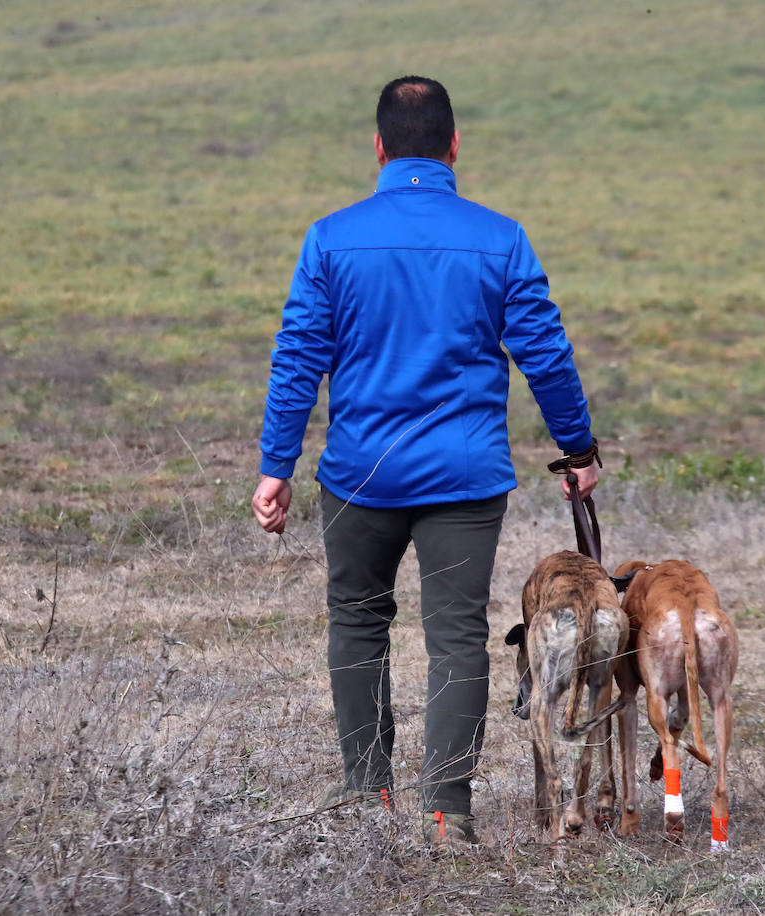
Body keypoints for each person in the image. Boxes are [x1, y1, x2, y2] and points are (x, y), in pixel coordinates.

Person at [251, 75, 599, 847]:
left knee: (357, 622)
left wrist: (276, 464)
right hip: (464, 480)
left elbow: (297, 355)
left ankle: (366, 797)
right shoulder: (500, 237)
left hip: (357, 474)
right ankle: (448, 813)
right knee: (455, 637)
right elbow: (545, 353)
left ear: (378, 148)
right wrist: (576, 449)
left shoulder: (329, 238)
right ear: (454, 146)